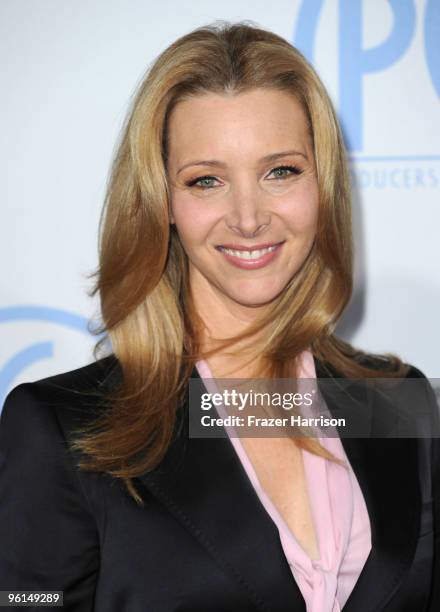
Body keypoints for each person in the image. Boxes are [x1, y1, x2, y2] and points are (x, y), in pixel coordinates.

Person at [0, 21, 439, 612]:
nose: (248, 217)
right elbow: (27, 600)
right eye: (206, 180)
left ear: (322, 184)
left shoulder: (395, 405)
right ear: (164, 203)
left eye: (280, 171)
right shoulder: (63, 430)